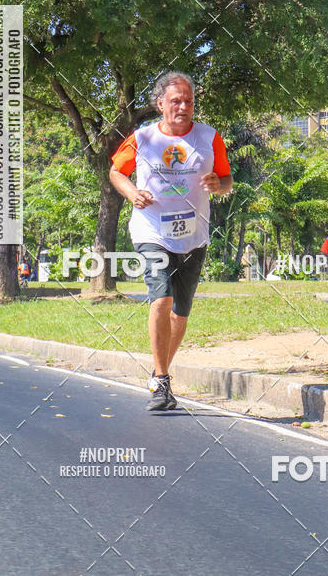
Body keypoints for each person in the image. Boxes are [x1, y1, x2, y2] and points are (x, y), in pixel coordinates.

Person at [110, 72, 233, 411]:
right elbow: (116, 171)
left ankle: (158, 370)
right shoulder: (143, 137)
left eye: (189, 101)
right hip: (152, 232)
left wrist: (218, 185)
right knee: (160, 298)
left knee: (180, 313)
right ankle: (162, 382)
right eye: (176, 100)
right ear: (160, 103)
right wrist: (132, 192)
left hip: (194, 235)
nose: (183, 106)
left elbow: (226, 180)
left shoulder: (209, 137)